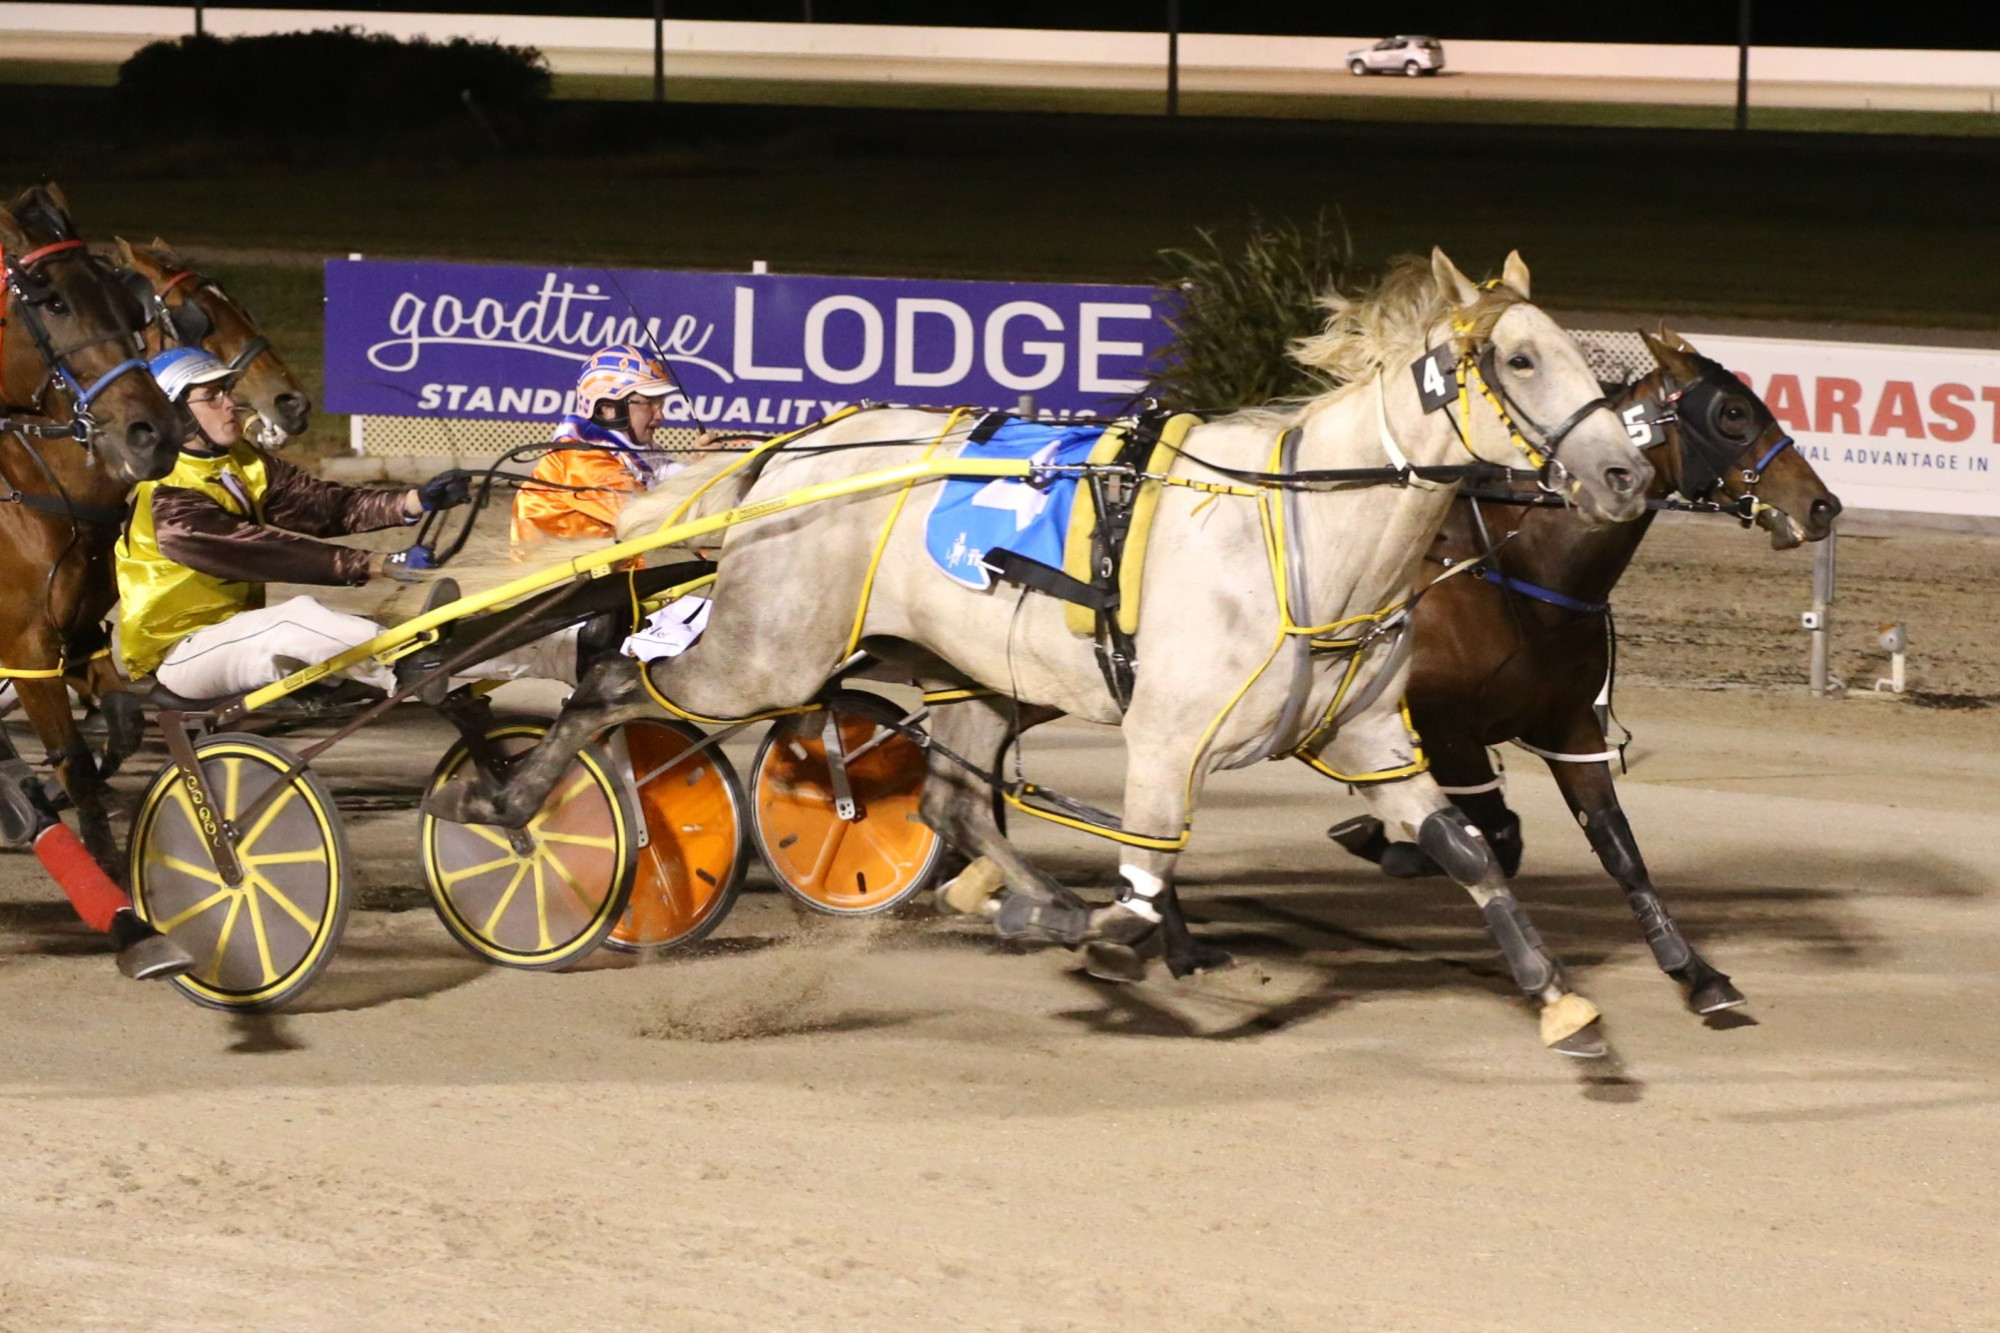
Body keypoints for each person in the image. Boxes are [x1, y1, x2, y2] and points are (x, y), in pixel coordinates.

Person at [115, 346, 470, 699]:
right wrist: (378, 563)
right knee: (294, 619)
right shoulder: (168, 493)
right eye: (211, 397)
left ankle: (492, 658)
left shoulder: (242, 461)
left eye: (226, 391)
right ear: (174, 413)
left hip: (233, 635)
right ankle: (408, 661)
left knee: (317, 626)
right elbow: (262, 552)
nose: (228, 403)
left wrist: (414, 501)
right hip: (180, 651)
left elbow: (324, 506)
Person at [491, 344, 715, 682]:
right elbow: (649, 515)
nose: (660, 415)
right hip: (567, 607)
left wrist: (704, 467)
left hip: (609, 593)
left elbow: (670, 482)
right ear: (609, 408)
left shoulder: (626, 452)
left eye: (660, 402)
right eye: (649, 402)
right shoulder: (581, 459)